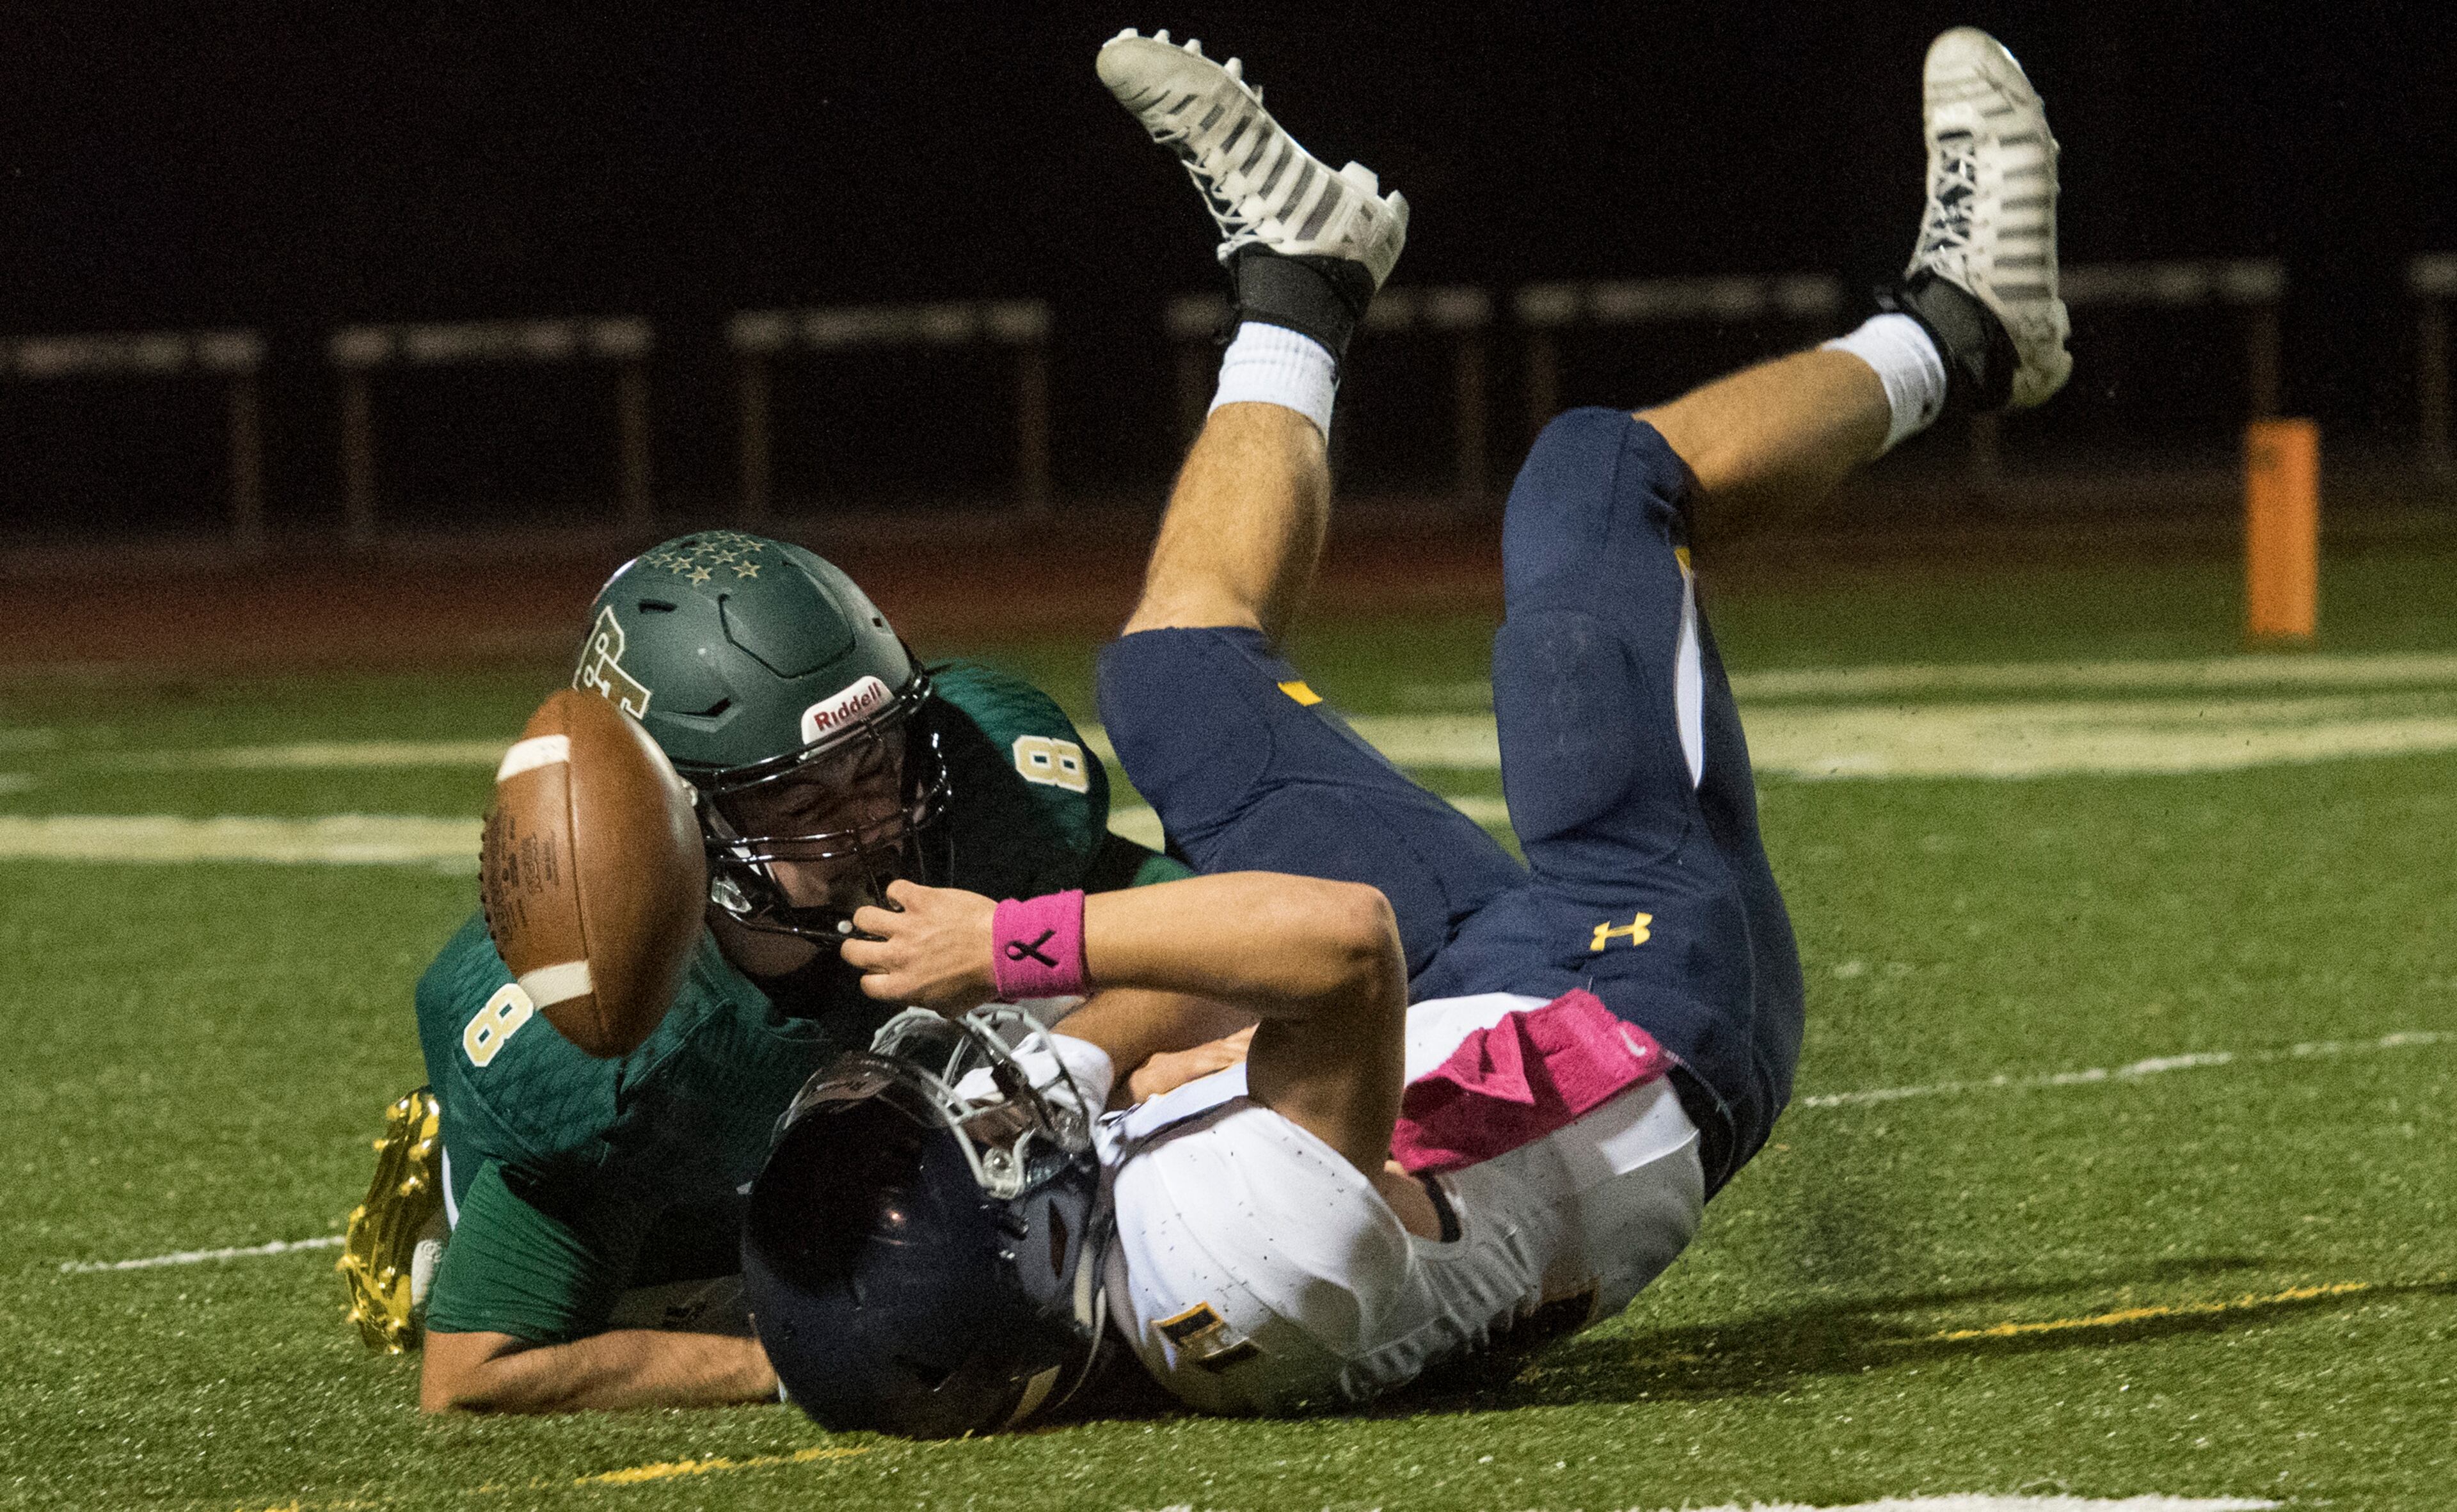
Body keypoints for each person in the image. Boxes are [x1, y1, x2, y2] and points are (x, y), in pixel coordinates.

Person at [742, 24, 2070, 1427]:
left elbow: (1273, 1028)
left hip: (1459, 1011)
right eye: (979, 1156)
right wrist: (1013, 950)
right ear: (1029, 1264)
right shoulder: (1232, 1283)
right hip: (1646, 1007)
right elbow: (1336, 943)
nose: (985, 1119)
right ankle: (1965, 329)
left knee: (1171, 673)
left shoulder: (1122, 1295)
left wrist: (1122, 1064)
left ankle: (1297, 281)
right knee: (1597, 481)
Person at [338, 529, 1189, 1413]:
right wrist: (793, 1358)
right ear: (679, 819)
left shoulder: (979, 795)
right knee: (767, 1264)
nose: (876, 827)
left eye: (875, 766)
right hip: (690, 1196)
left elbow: (1199, 937)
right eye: (803, 800)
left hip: (868, 1070)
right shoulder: (632, 1056)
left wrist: (1069, 1063)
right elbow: (479, 1369)